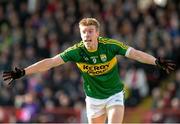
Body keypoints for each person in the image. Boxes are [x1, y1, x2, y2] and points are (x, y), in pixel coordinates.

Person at [2, 18, 175, 123]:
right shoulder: (76, 51)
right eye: (83, 32)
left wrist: (155, 61)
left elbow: (135, 54)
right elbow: (51, 62)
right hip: (93, 99)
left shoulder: (110, 46)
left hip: (114, 94)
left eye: (90, 31)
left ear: (97, 33)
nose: (86, 35)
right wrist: (24, 72)